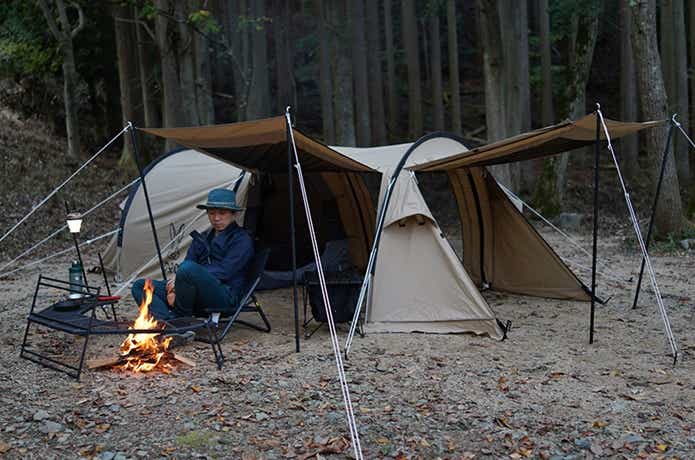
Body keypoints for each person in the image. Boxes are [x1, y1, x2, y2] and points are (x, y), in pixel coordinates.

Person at [131, 188, 254, 326]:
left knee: (187, 269)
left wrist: (179, 284)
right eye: (211, 213)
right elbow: (188, 262)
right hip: (192, 293)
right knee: (140, 285)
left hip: (223, 296)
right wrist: (174, 287)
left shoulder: (242, 240)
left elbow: (224, 271)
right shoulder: (203, 237)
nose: (216, 218)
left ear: (233, 214)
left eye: (222, 213)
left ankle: (181, 317)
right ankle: (167, 321)